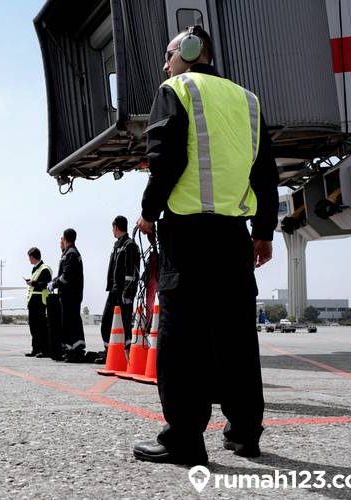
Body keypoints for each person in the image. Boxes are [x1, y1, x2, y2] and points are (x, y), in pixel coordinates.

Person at [133, 25, 279, 466]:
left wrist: (148, 209)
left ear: (191, 51)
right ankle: (245, 433)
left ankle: (184, 438)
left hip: (189, 234)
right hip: (234, 237)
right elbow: (266, 173)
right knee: (236, 337)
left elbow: (167, 159)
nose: (165, 63)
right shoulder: (248, 100)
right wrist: (264, 232)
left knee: (183, 342)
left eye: (169, 53)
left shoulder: (176, 88)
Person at [97, 215, 140, 363]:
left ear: (115, 227)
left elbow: (132, 272)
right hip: (114, 291)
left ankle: (128, 354)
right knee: (106, 322)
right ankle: (109, 352)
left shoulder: (130, 245)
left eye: (112, 228)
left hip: (124, 292)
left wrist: (128, 292)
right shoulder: (117, 245)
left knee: (126, 324)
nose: (112, 231)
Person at [49, 228, 86, 362]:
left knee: (71, 323)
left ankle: (74, 351)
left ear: (65, 239)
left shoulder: (71, 254)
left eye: (61, 239)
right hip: (70, 295)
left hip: (70, 296)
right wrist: (54, 281)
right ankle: (72, 350)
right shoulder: (70, 253)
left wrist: (54, 284)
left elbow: (65, 277)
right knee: (71, 322)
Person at [25, 247, 53, 357]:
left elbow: (45, 284)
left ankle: (44, 350)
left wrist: (33, 283)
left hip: (40, 301)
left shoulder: (44, 268)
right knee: (33, 326)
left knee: (41, 327)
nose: (29, 260)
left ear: (32, 257)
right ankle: (35, 349)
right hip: (33, 301)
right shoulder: (36, 269)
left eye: (29, 258)